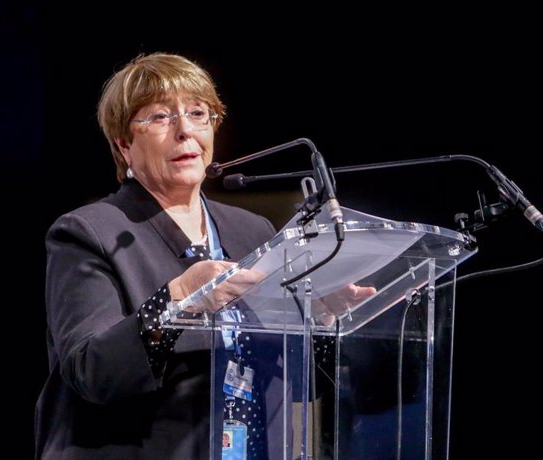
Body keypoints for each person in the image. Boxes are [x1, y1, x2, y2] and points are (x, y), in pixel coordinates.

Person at [34, 52, 374, 460]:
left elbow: (299, 384)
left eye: (198, 113)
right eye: (159, 117)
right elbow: (91, 372)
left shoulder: (253, 231)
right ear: (124, 145)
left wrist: (318, 319)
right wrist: (179, 299)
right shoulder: (90, 233)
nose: (184, 131)